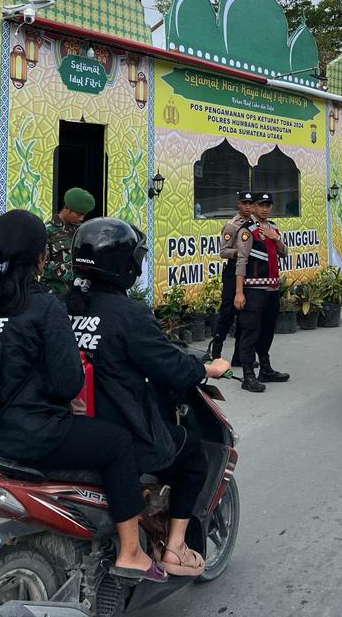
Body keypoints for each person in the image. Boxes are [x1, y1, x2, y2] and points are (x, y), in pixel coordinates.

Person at [0, 209, 167, 583]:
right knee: (116, 442)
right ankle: (132, 552)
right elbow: (67, 384)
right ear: (40, 258)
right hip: (26, 435)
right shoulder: (43, 305)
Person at [65, 218, 232, 578]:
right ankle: (175, 548)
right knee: (192, 454)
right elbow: (169, 367)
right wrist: (206, 369)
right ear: (125, 264)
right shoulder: (128, 313)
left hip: (70, 429)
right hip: (119, 433)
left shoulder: (64, 306)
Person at [231, 192, 288, 393]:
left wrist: (276, 239)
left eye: (268, 205)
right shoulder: (247, 231)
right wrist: (239, 292)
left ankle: (265, 369)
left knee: (267, 330)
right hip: (253, 289)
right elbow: (241, 261)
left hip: (272, 288)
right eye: (261, 205)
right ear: (253, 207)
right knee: (250, 331)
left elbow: (284, 252)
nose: (265, 208)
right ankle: (248, 375)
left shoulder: (272, 228)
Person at [208, 191, 253, 363]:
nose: (248, 207)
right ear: (238, 205)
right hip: (232, 271)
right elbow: (223, 252)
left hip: (247, 271)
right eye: (244, 204)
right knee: (227, 313)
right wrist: (241, 252)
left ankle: (239, 355)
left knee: (245, 315)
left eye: (250, 204)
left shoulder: (254, 224)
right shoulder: (232, 225)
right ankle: (216, 353)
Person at [43, 188, 95, 298]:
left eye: (84, 215)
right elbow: (41, 266)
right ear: (67, 208)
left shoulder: (83, 231)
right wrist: (70, 270)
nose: (81, 218)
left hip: (81, 295)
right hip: (56, 295)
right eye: (79, 214)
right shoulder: (47, 231)